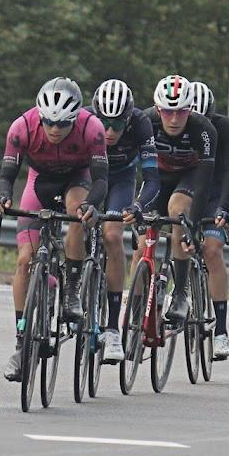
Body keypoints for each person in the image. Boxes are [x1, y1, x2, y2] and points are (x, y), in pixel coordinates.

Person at [0, 77, 108, 381]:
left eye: (63, 124)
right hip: (39, 180)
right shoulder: (22, 127)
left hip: (77, 178)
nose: (55, 130)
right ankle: (21, 340)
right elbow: (7, 174)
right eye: (49, 123)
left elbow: (100, 180)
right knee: (24, 259)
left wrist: (91, 206)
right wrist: (2, 197)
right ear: (39, 116)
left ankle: (70, 289)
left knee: (75, 212)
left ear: (75, 119)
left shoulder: (92, 128)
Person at [87, 79, 158, 363]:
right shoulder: (84, 120)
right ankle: (73, 285)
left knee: (113, 236)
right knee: (78, 224)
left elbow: (152, 179)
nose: (109, 131)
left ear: (128, 118)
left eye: (117, 124)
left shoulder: (141, 124)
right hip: (90, 175)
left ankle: (113, 328)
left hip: (121, 179)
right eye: (104, 123)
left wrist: (138, 205)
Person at [145, 75, 219, 325]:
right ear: (157, 109)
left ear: (190, 110)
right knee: (146, 233)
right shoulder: (146, 122)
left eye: (181, 112)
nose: (174, 119)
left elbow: (205, 180)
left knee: (178, 211)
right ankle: (137, 300)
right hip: (158, 176)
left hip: (189, 177)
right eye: (167, 112)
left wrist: (193, 226)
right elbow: (135, 166)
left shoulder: (203, 129)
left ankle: (179, 293)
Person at [189, 81, 229, 359]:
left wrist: (224, 208)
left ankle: (220, 330)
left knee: (212, 249)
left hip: (215, 194)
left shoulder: (226, 128)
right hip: (188, 189)